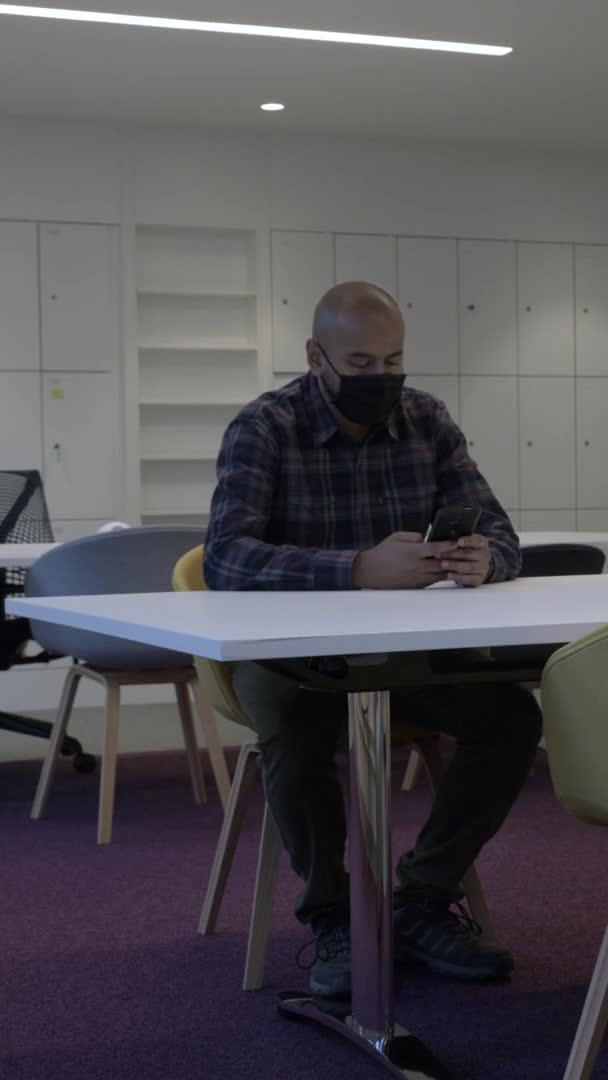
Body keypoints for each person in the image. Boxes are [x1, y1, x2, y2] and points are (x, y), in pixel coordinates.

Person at [204, 281, 542, 1000]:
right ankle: (334, 916)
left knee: (511, 716)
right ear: (314, 356)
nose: (380, 381)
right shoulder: (265, 427)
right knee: (293, 734)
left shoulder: (427, 419)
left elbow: (504, 532)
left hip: (405, 651)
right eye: (359, 364)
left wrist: (486, 557)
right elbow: (225, 558)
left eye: (392, 363)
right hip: (289, 653)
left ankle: (419, 900)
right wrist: (357, 570)